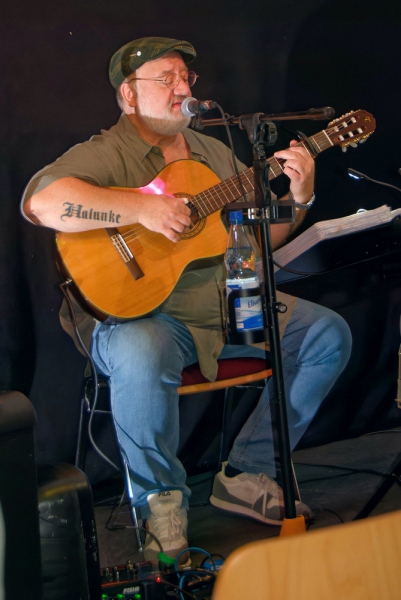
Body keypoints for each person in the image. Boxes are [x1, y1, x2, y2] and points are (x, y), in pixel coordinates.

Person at [21, 37, 352, 564]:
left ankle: (248, 472)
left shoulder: (213, 153)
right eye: (166, 78)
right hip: (144, 316)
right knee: (141, 348)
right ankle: (161, 503)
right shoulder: (108, 151)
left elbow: (256, 237)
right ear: (129, 95)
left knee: (326, 334)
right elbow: (42, 203)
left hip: (226, 305)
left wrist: (300, 197)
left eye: (186, 77)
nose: (182, 87)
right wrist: (141, 209)